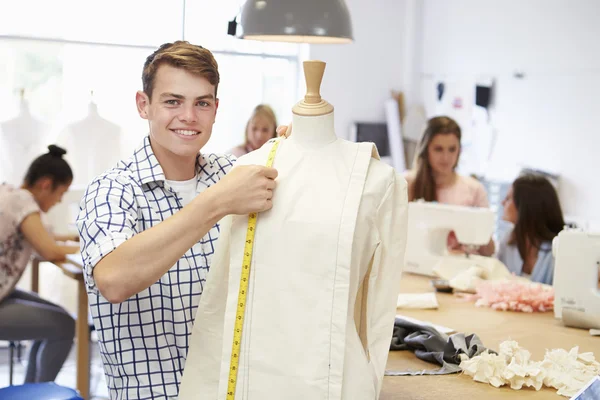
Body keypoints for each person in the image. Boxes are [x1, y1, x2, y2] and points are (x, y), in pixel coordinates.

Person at [76, 41, 289, 399]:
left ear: (215, 109)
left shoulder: (233, 173)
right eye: (173, 101)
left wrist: (299, 153)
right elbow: (113, 279)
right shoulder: (112, 189)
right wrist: (216, 203)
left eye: (202, 103)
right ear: (144, 105)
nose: (189, 116)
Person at [0, 145, 79, 383]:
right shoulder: (23, 203)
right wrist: (93, 248)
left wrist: (72, 241)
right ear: (46, 184)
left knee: (59, 318)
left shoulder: (10, 194)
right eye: (60, 193)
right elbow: (48, 250)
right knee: (64, 325)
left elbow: (45, 240)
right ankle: (39, 393)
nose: (59, 201)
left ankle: (32, 390)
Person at [405, 116, 494, 256]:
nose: (446, 157)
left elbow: (488, 250)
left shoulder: (474, 189)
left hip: (462, 268)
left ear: (460, 150)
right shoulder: (407, 184)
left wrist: (478, 228)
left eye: (452, 149)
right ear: (425, 149)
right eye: (438, 149)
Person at [497, 174, 565, 285]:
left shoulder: (561, 250)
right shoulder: (508, 240)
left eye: (508, 198)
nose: (502, 203)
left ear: (525, 206)